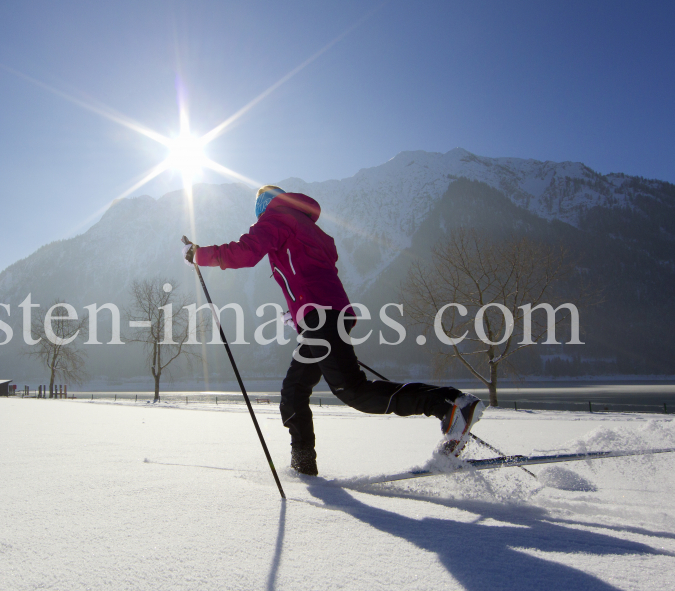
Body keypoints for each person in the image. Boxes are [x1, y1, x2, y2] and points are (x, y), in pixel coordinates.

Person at [184, 185, 483, 476]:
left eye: (258, 211)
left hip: (321, 317)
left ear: (264, 207)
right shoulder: (307, 227)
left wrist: (200, 254)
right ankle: (304, 468)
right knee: (293, 392)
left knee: (354, 391)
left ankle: (450, 404)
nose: (258, 219)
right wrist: (299, 315)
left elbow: (246, 253)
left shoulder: (276, 218)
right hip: (323, 315)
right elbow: (311, 274)